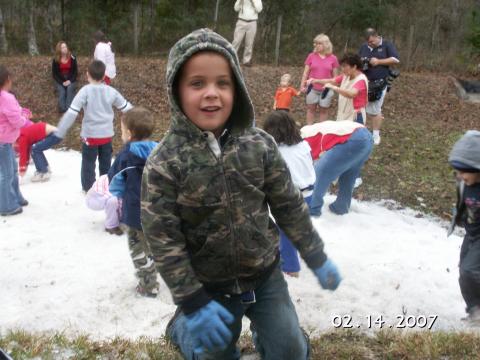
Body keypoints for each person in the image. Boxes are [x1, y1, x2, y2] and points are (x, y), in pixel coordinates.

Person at [141, 28, 341, 359]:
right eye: (197, 84)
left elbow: (289, 205)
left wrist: (316, 255)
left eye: (222, 83)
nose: (211, 93)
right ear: (176, 91)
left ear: (237, 88)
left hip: (264, 276)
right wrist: (192, 301)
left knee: (291, 351)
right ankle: (181, 327)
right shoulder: (165, 162)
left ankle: (280, 332)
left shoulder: (259, 144)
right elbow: (163, 240)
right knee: (211, 352)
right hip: (208, 288)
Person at [54, 60, 133, 192]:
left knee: (88, 164)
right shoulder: (111, 91)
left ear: (87, 75)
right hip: (107, 135)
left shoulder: (84, 91)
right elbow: (128, 108)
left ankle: (89, 188)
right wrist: (143, 119)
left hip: (90, 136)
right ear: (104, 76)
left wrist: (60, 131)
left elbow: (71, 113)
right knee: (106, 163)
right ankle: (105, 186)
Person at [109, 107, 159, 297]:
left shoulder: (127, 155)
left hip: (136, 212)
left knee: (138, 249)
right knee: (154, 245)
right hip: (158, 211)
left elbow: (115, 179)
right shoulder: (160, 150)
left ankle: (148, 285)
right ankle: (157, 270)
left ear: (129, 134)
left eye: (121, 130)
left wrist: (118, 193)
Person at [263, 111, 315, 278]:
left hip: (291, 197)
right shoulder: (303, 145)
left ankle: (290, 268)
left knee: (286, 232)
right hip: (309, 192)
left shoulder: (277, 152)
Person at [302, 120, 373, 217]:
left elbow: (309, 167)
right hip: (367, 137)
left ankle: (312, 209)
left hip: (353, 138)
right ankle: (341, 207)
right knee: (348, 174)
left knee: (319, 172)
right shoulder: (312, 130)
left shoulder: (304, 139)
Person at [448, 130, 480, 324]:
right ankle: (474, 311)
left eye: (464, 171)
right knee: (464, 272)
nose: (460, 176)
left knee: (470, 271)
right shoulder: (464, 182)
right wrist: (457, 218)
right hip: (471, 233)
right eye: (457, 171)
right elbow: (462, 202)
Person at [358, 28, 400, 145]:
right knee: (361, 108)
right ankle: (362, 131)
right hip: (364, 82)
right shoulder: (364, 47)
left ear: (377, 36)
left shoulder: (387, 45)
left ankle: (376, 134)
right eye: (368, 42)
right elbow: (357, 60)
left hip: (380, 82)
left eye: (372, 41)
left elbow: (395, 59)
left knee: (375, 108)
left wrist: (378, 62)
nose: (370, 44)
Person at [307, 53, 368, 124]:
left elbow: (352, 94)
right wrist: (315, 80)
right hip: (343, 115)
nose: (342, 69)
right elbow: (332, 80)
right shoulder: (346, 76)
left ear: (354, 67)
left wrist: (334, 88)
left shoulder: (361, 80)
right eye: (342, 66)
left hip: (356, 116)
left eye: (345, 66)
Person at [0, 65, 28, 216]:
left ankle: (15, 196)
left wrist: (21, 111)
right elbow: (16, 120)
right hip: (3, 142)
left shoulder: (6, 98)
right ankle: (6, 205)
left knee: (11, 170)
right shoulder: (7, 97)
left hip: (6, 142)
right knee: (6, 173)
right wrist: (24, 118)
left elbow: (11, 113)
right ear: (7, 80)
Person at [300, 34, 339, 124]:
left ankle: (322, 132)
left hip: (326, 89)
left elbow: (335, 77)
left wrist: (333, 88)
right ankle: (309, 131)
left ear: (326, 44)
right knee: (310, 109)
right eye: (315, 43)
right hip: (312, 88)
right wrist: (302, 86)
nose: (316, 45)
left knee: (324, 110)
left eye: (319, 43)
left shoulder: (333, 58)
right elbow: (305, 73)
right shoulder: (311, 56)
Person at [232, 0, 263, 66]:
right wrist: (240, 1)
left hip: (252, 22)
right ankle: (231, 58)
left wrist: (252, 1)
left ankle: (246, 60)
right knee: (236, 41)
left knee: (249, 43)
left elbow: (259, 9)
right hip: (241, 21)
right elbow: (236, 8)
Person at [52, 41, 78, 113]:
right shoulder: (55, 59)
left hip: (71, 79)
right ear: (59, 49)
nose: (65, 49)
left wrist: (70, 81)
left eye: (65, 47)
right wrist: (62, 82)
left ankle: (68, 109)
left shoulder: (72, 57)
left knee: (70, 89)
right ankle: (63, 109)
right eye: (62, 47)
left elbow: (75, 72)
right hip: (60, 80)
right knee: (62, 91)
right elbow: (54, 74)